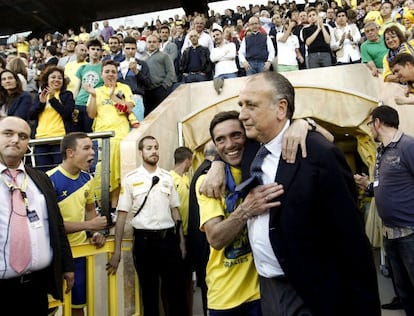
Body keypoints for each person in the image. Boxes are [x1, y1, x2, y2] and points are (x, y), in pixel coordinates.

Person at [233, 71, 381, 315]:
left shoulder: (319, 153)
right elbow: (220, 137)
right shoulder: (250, 147)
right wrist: (215, 164)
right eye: (241, 105)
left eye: (251, 105)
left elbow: (351, 240)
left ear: (281, 109)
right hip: (267, 289)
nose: (242, 114)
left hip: (311, 291)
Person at [197, 110, 283, 315]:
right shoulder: (208, 183)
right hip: (225, 297)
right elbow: (215, 238)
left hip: (264, 291)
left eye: (236, 135)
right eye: (221, 139)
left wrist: (303, 124)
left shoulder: (265, 170)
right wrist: (246, 210)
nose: (229, 144)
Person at [0, 116, 74, 315]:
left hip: (36, 287)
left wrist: (67, 265)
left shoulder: (40, 179)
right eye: (8, 133)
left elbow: (57, 225)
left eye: (22, 136)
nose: (15, 140)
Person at [107, 135, 187, 316]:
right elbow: (121, 217)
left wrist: (181, 242)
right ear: (141, 152)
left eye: (156, 147)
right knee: (149, 295)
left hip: (169, 241)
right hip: (145, 243)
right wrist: (117, 251)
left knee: (175, 293)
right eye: (149, 148)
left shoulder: (167, 178)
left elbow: (176, 212)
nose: (154, 151)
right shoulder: (130, 179)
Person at [354, 105, 414, 316]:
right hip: (389, 233)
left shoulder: (408, 146)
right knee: (404, 290)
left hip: (410, 233)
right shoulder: (380, 152)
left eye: (370, 124)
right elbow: (381, 186)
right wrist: (367, 185)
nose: (370, 128)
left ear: (378, 122)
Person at [46, 132, 107, 316]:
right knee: (52, 306)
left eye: (93, 148)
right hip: (55, 256)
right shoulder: (48, 180)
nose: (92, 154)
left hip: (79, 254)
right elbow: (53, 226)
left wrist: (95, 233)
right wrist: (90, 227)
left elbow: (89, 211)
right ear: (70, 152)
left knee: (78, 307)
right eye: (87, 148)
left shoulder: (88, 179)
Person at [83, 59, 136, 212]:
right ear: (102, 74)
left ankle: (113, 208)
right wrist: (93, 96)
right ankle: (101, 207)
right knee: (100, 173)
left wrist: (113, 96)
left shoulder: (124, 88)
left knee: (118, 172)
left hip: (120, 136)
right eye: (107, 72)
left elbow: (129, 108)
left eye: (113, 71)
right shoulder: (97, 91)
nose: (111, 74)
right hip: (101, 137)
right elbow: (91, 114)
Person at [187, 140, 217, 316]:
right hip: (205, 243)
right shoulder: (207, 173)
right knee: (210, 290)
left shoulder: (201, 169)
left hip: (199, 242)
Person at [28, 66, 75, 171]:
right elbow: (31, 115)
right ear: (47, 80)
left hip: (60, 139)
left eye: (60, 78)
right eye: (53, 77)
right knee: (43, 173)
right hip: (41, 139)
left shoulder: (67, 95)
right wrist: (41, 103)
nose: (56, 80)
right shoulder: (40, 96)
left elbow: (67, 114)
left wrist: (53, 99)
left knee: (60, 171)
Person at [169, 146, 194, 315]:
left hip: (188, 235)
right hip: (175, 237)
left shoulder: (186, 178)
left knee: (187, 280)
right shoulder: (169, 179)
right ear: (188, 160)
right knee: (174, 281)